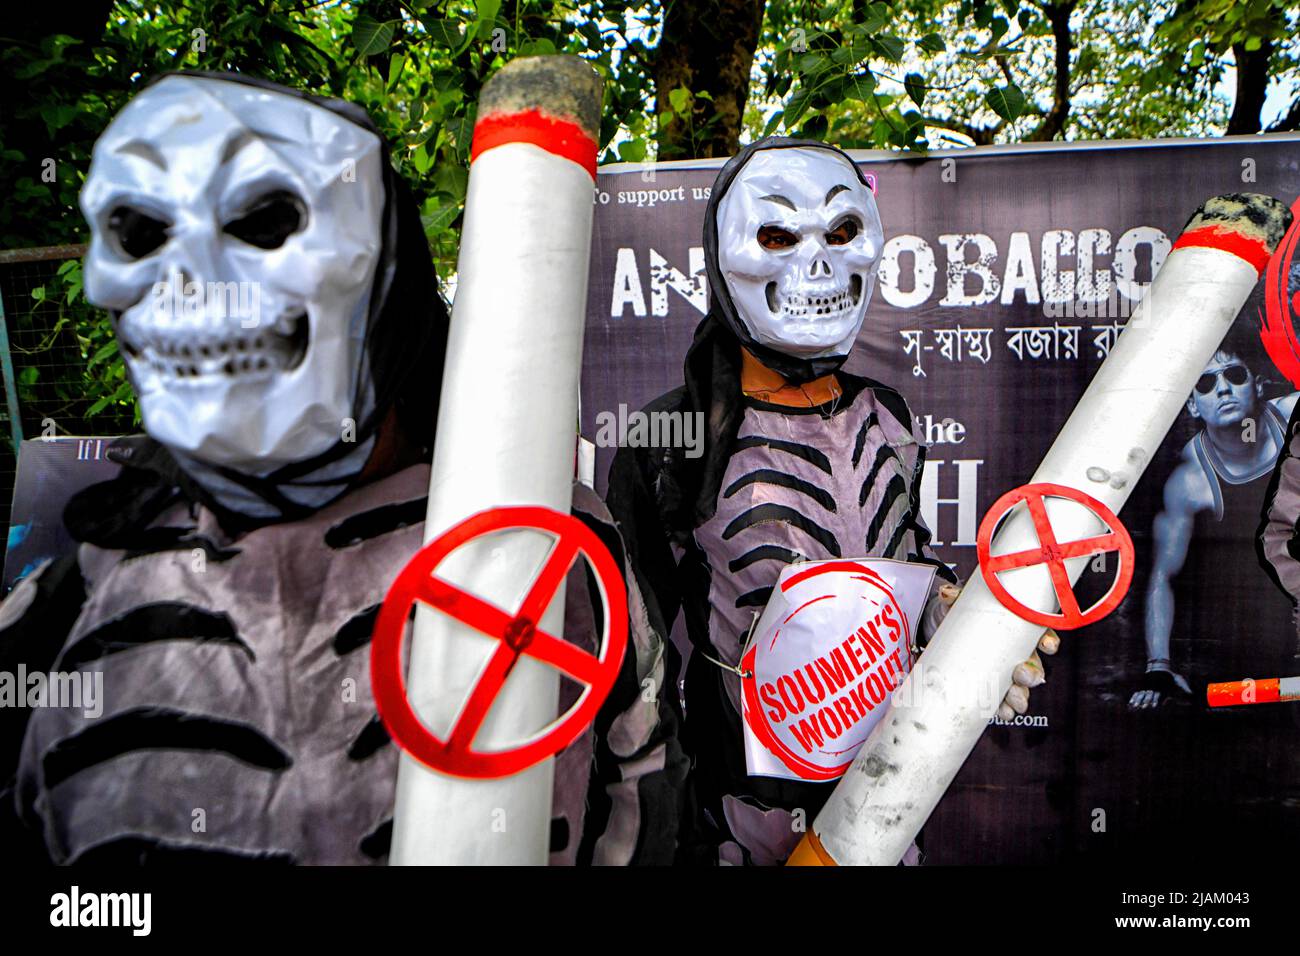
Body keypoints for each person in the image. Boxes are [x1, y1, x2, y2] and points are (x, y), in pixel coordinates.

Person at [0, 72, 685, 865]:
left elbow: (646, 790)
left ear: (382, 273)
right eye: (141, 232)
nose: (193, 279)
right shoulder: (75, 598)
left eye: (262, 221)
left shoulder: (562, 543)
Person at [606, 137, 1054, 866]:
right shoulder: (672, 439)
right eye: (777, 236)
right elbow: (632, 660)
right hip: (738, 813)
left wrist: (957, 620)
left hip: (888, 792)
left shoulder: (888, 417)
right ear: (725, 257)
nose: (817, 263)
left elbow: (902, 564)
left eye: (842, 232)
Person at [1130, 325, 1298, 709]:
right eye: (1206, 384)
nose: (1222, 389)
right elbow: (1163, 576)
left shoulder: (1292, 415)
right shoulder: (1190, 483)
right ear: (1192, 405)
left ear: (1257, 386)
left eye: (1234, 376)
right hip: (1253, 639)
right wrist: (1159, 666)